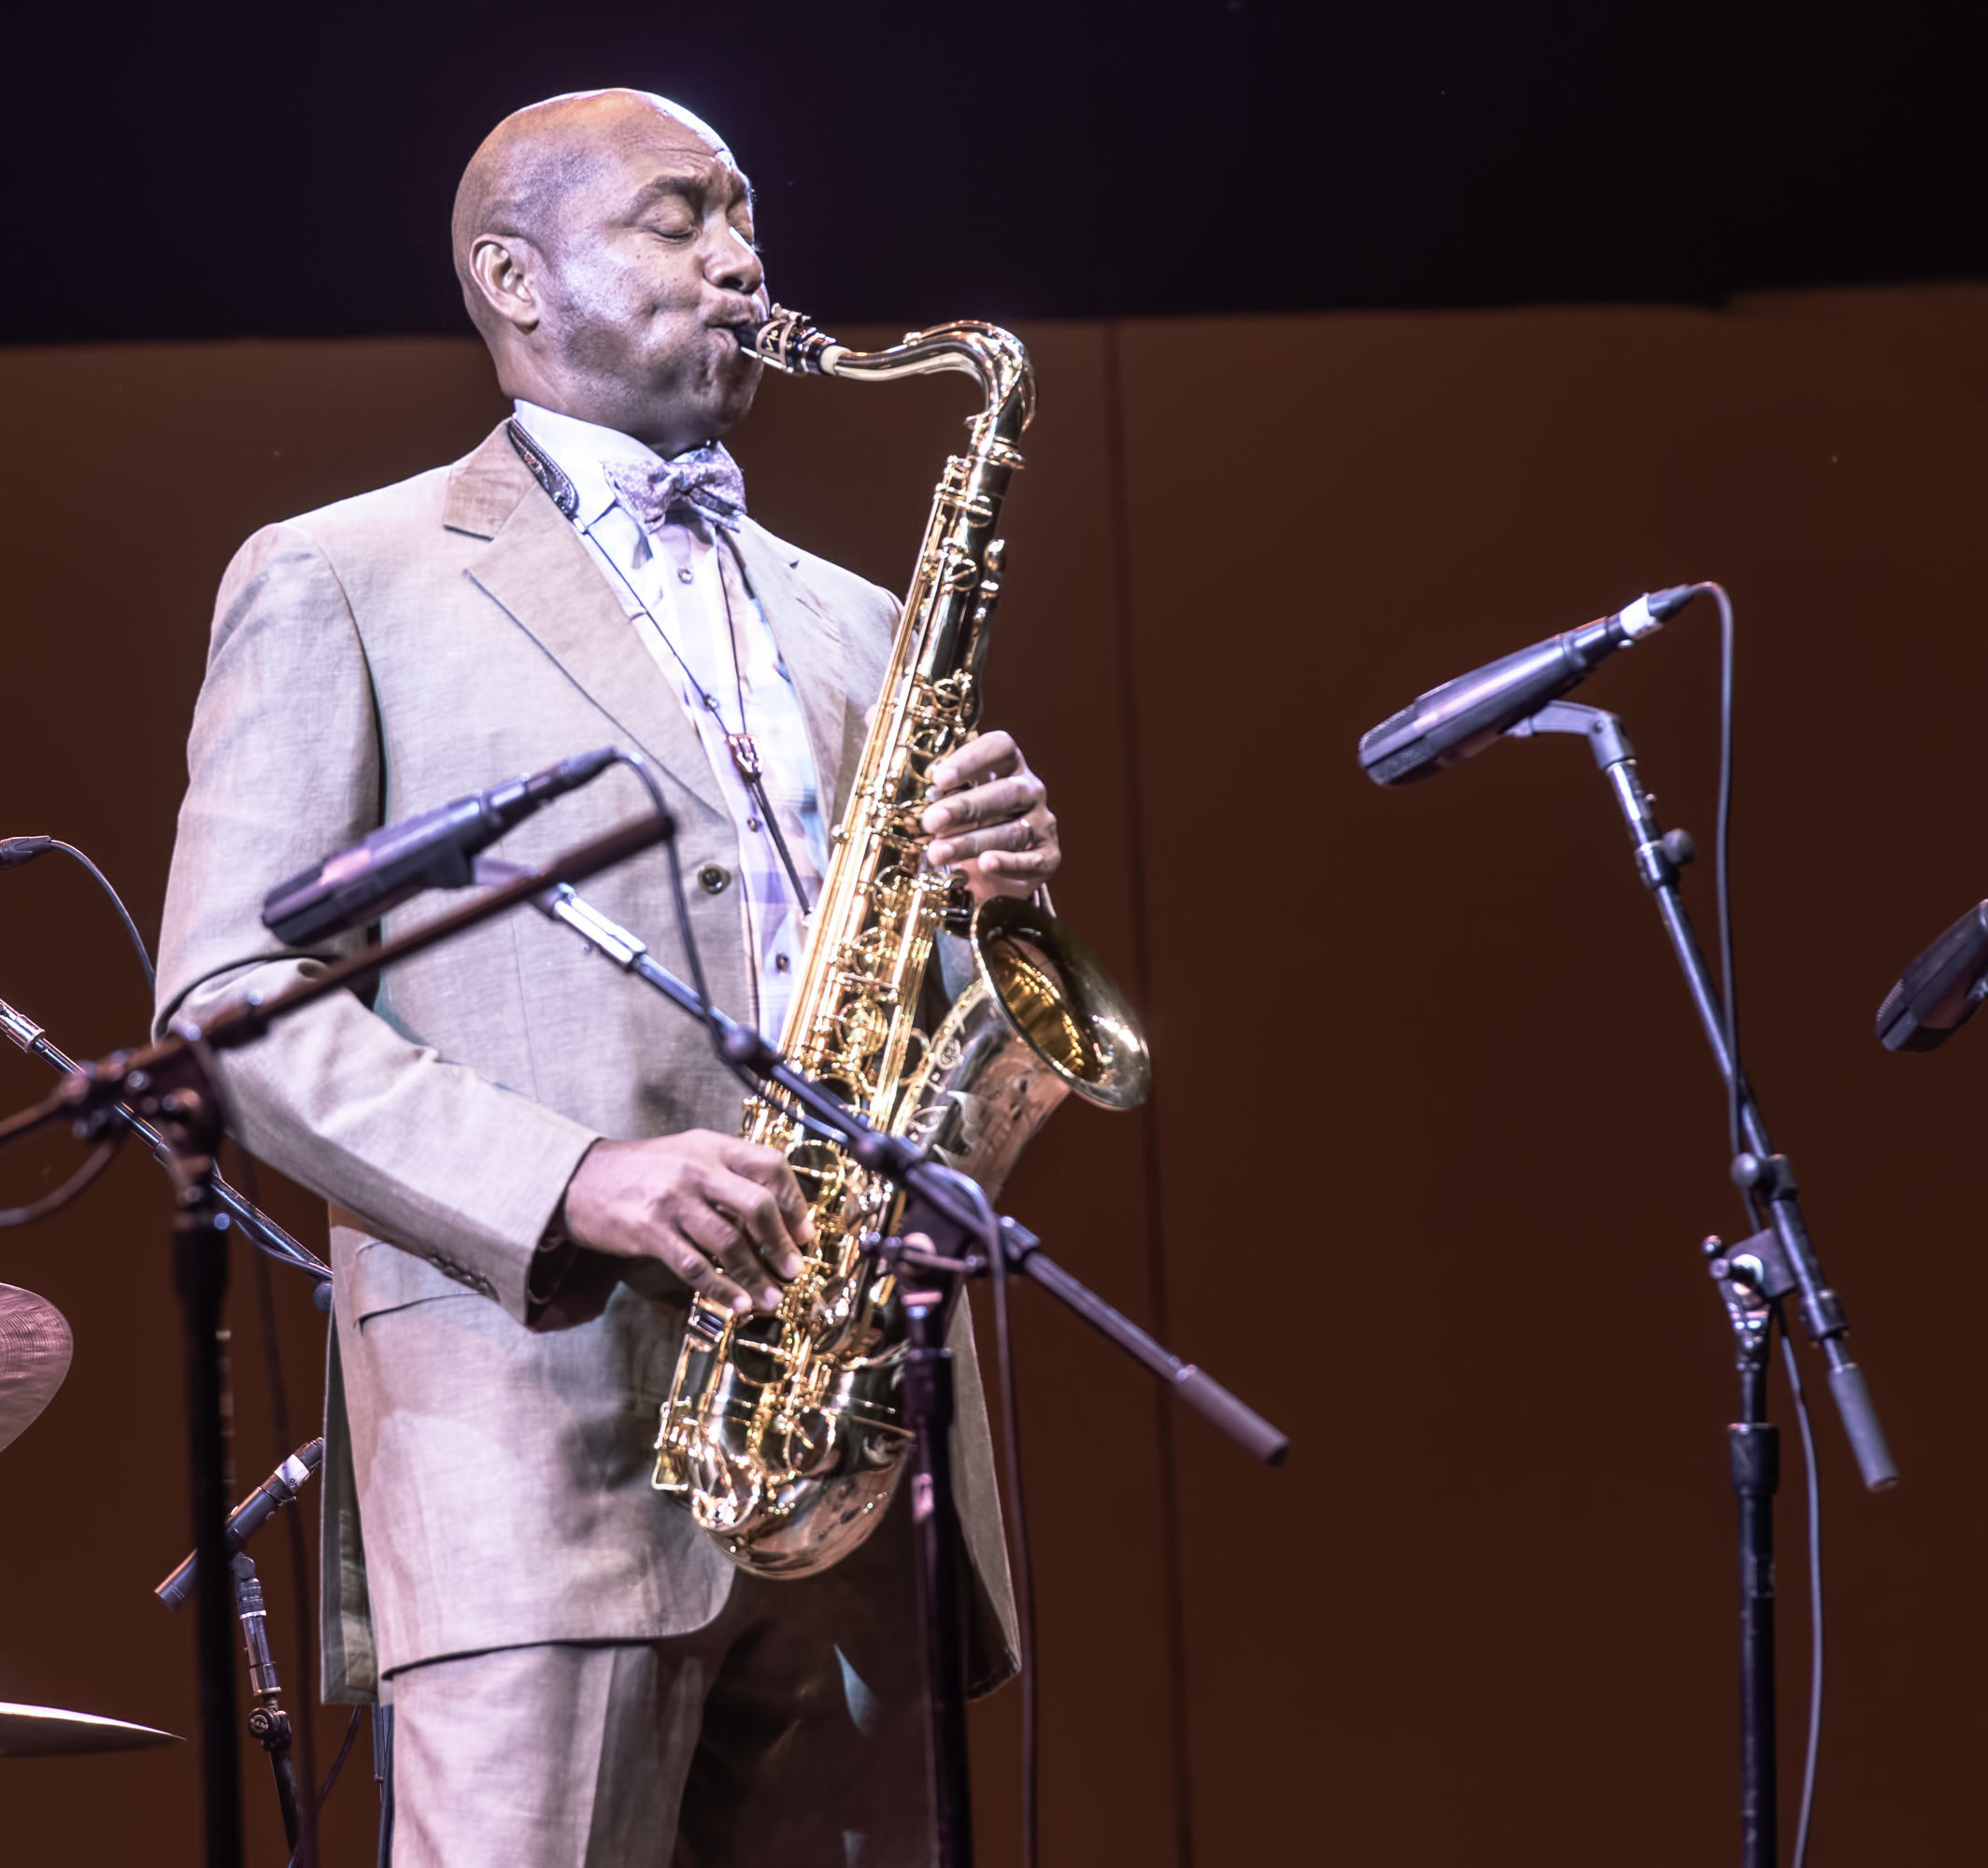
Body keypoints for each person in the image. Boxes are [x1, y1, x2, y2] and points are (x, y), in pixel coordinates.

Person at [155, 88, 1063, 1865]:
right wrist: (571, 1180)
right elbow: (226, 1003)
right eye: (677, 219)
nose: (742, 260)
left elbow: (897, 987)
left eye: (745, 218)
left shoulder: (856, 613)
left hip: (859, 1453)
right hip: (538, 1461)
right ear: (515, 274)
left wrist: (991, 897)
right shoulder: (345, 576)